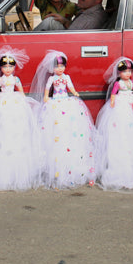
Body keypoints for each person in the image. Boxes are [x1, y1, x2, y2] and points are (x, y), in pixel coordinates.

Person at [0, 48, 44, 191]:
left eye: (11, 66)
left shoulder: (15, 79)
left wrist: (24, 99)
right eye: (5, 67)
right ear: (1, 68)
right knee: (0, 129)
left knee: (17, 130)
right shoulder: (0, 79)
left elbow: (21, 91)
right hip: (2, 101)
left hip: (15, 101)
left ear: (14, 67)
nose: (8, 69)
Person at [31, 51, 96, 189]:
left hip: (67, 101)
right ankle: (55, 167)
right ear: (52, 68)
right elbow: (47, 89)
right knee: (56, 130)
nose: (60, 69)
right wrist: (46, 98)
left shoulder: (66, 77)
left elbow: (70, 87)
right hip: (56, 102)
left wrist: (74, 92)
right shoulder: (52, 79)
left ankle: (74, 165)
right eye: (57, 66)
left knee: (70, 129)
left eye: (62, 66)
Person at [94, 57, 133, 191]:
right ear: (119, 73)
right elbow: (113, 94)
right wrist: (112, 102)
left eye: (129, 71)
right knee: (119, 131)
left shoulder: (131, 82)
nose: (127, 74)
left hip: (131, 104)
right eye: (124, 71)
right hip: (120, 104)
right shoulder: (118, 84)